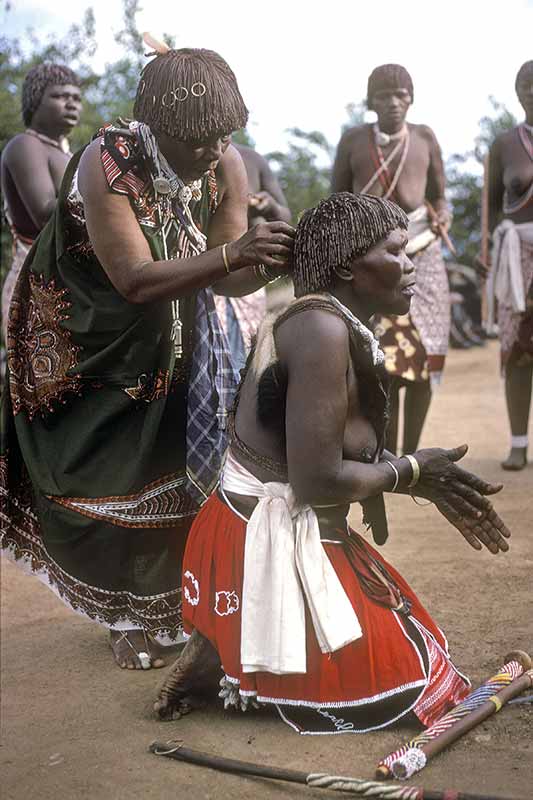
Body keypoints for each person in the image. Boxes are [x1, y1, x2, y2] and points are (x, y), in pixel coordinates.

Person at [154, 193, 510, 734]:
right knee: (414, 684)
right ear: (347, 265)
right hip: (258, 537)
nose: (412, 264)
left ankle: (230, 651)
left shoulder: (327, 321)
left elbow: (339, 449)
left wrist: (422, 479)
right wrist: (411, 471)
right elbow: (318, 480)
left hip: (262, 526)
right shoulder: (319, 329)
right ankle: (233, 658)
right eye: (396, 251)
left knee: (424, 648)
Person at [0, 43, 294, 672]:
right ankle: (122, 614)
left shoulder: (226, 161)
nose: (213, 151)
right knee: (108, 469)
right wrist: (233, 256)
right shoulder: (107, 160)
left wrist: (267, 259)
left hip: (172, 328)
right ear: (156, 127)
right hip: (87, 335)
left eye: (223, 136)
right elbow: (133, 279)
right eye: (198, 140)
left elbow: (228, 276)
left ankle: (168, 604)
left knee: (168, 462)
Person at [331, 64, 451, 454]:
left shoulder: (424, 138)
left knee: (423, 356)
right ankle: (382, 452)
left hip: (423, 254)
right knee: (382, 363)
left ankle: (412, 454)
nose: (393, 103)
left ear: (411, 99)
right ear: (371, 101)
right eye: (383, 96)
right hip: (369, 259)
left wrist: (443, 213)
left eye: (400, 95)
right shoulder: (353, 141)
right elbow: (335, 202)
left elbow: (439, 194)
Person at [1, 63, 82, 339]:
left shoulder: (68, 155)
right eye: (61, 96)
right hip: (35, 286)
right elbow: (47, 215)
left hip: (66, 285)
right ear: (36, 100)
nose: (72, 104)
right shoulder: (25, 146)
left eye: (77, 98)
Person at [486, 60, 533, 470]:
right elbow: (489, 206)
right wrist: (486, 255)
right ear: (517, 92)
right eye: (526, 85)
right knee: (518, 348)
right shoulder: (504, 143)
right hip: (516, 254)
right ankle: (518, 442)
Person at [215, 141, 292, 371]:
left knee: (247, 353)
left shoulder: (253, 159)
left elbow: (285, 215)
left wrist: (268, 205)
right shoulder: (201, 156)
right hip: (210, 271)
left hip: (248, 276)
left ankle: (241, 402)